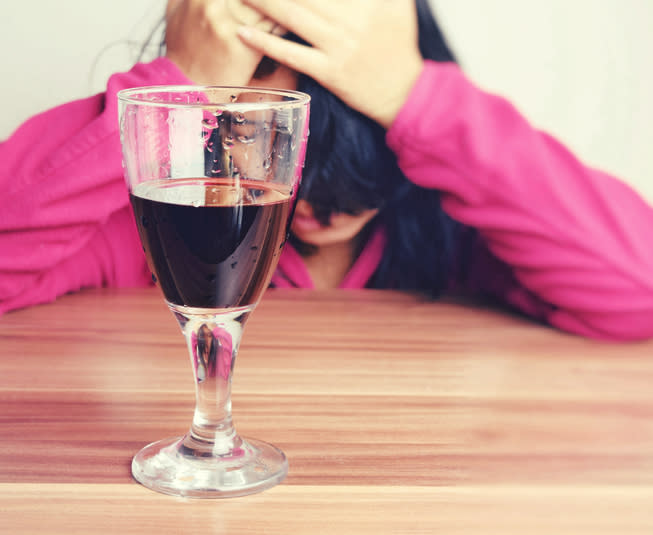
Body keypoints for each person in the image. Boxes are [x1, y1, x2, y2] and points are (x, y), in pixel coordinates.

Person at [1, 0, 652, 342]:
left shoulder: (459, 232)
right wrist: (175, 86)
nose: (315, 205)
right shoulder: (153, 225)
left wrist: (412, 94)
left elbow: (638, 291)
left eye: (363, 146)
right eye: (263, 130)